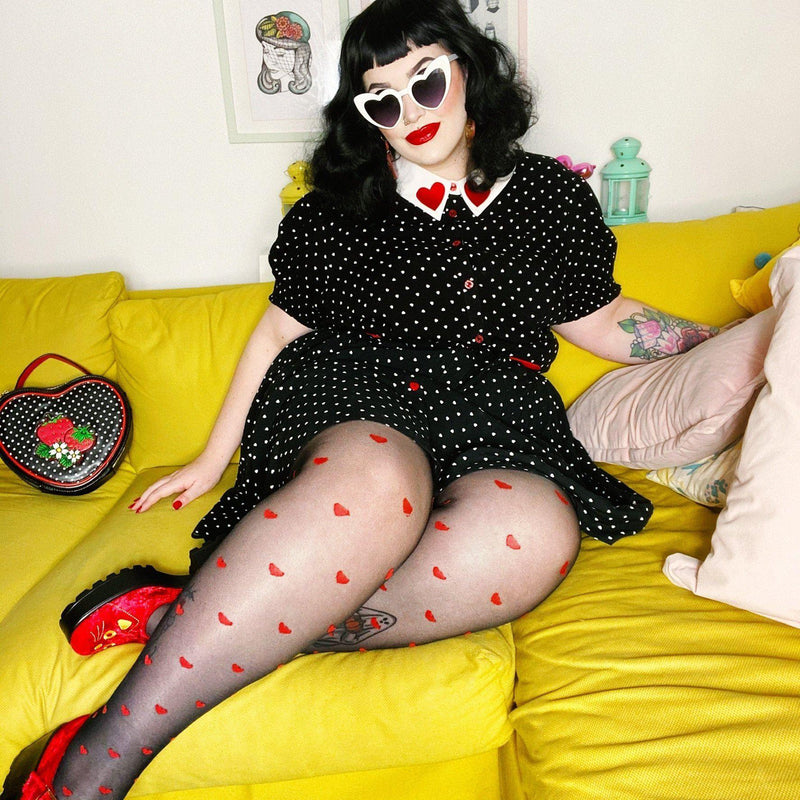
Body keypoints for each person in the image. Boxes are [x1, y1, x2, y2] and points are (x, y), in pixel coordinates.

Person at [4, 1, 719, 798]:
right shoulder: (341, 209)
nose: (410, 111)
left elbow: (602, 318)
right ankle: (92, 766)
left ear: (469, 71)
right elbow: (275, 334)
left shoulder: (547, 197)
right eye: (383, 100)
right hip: (357, 392)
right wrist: (212, 456)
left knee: (534, 534)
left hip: (492, 417)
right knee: (379, 486)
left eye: (426, 80)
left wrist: (726, 344)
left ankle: (188, 619)